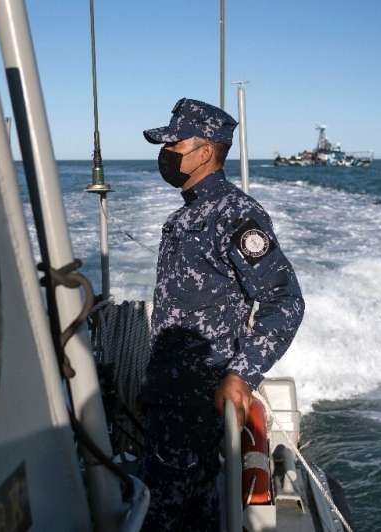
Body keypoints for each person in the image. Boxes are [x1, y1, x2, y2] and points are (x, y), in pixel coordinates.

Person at [138, 98, 305, 531]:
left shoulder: (236, 214)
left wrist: (241, 375)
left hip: (199, 403)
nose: (168, 152)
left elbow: (284, 300)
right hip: (168, 401)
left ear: (205, 152)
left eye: (176, 143)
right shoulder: (186, 214)